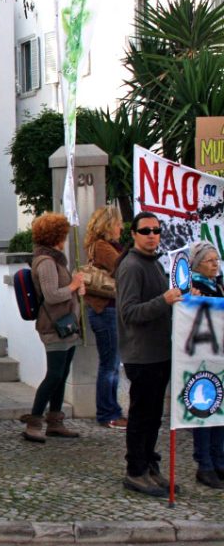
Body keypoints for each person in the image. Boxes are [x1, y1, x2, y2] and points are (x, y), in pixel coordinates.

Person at [116, 211, 183, 497]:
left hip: (159, 352)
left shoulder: (154, 263)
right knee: (142, 415)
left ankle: (149, 465)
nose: (152, 235)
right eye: (146, 231)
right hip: (141, 354)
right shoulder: (132, 266)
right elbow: (129, 312)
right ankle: (135, 471)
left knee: (154, 416)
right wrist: (164, 300)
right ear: (134, 234)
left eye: (156, 230)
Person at [20, 213, 85, 443]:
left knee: (62, 373)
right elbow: (51, 295)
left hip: (65, 325)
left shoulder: (55, 260)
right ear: (56, 236)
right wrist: (74, 285)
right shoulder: (46, 262)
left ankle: (55, 421)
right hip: (54, 325)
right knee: (55, 374)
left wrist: (75, 288)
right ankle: (34, 421)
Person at [83, 206, 128, 430]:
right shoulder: (103, 247)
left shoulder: (100, 245)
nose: (122, 227)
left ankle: (110, 410)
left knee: (110, 363)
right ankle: (108, 412)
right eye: (118, 223)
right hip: (106, 309)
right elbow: (124, 269)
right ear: (109, 225)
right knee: (110, 365)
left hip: (106, 310)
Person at [186, 240, 224, 489]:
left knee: (220, 412)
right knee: (204, 412)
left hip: (218, 356)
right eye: (210, 260)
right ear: (198, 265)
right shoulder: (193, 288)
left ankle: (219, 460)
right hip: (200, 358)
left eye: (216, 260)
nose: (215, 264)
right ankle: (205, 463)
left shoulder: (218, 285)